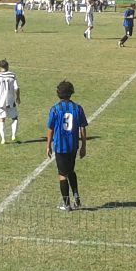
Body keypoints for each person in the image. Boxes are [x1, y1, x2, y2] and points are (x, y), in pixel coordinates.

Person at [46, 79, 88, 211]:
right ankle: (76, 196)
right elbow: (82, 128)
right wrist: (83, 146)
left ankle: (67, 204)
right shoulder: (77, 108)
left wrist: (48, 146)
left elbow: (50, 129)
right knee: (70, 171)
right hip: (73, 146)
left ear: (58, 93)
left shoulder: (55, 109)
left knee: (62, 174)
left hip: (60, 146)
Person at [0, 59, 21, 144]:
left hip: (0, 102)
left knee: (1, 119)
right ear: (7, 66)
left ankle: (3, 139)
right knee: (14, 118)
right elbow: (17, 88)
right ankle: (13, 135)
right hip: (10, 101)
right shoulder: (12, 76)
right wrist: (18, 97)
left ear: (0, 67)